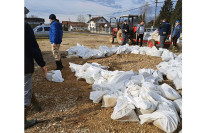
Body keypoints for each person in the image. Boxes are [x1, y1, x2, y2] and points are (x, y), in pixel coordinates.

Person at [25, 22, 47, 129]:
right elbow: (33, 47)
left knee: (26, 87)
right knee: (25, 91)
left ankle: (36, 106)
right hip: (24, 65)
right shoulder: (24, 26)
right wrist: (42, 64)